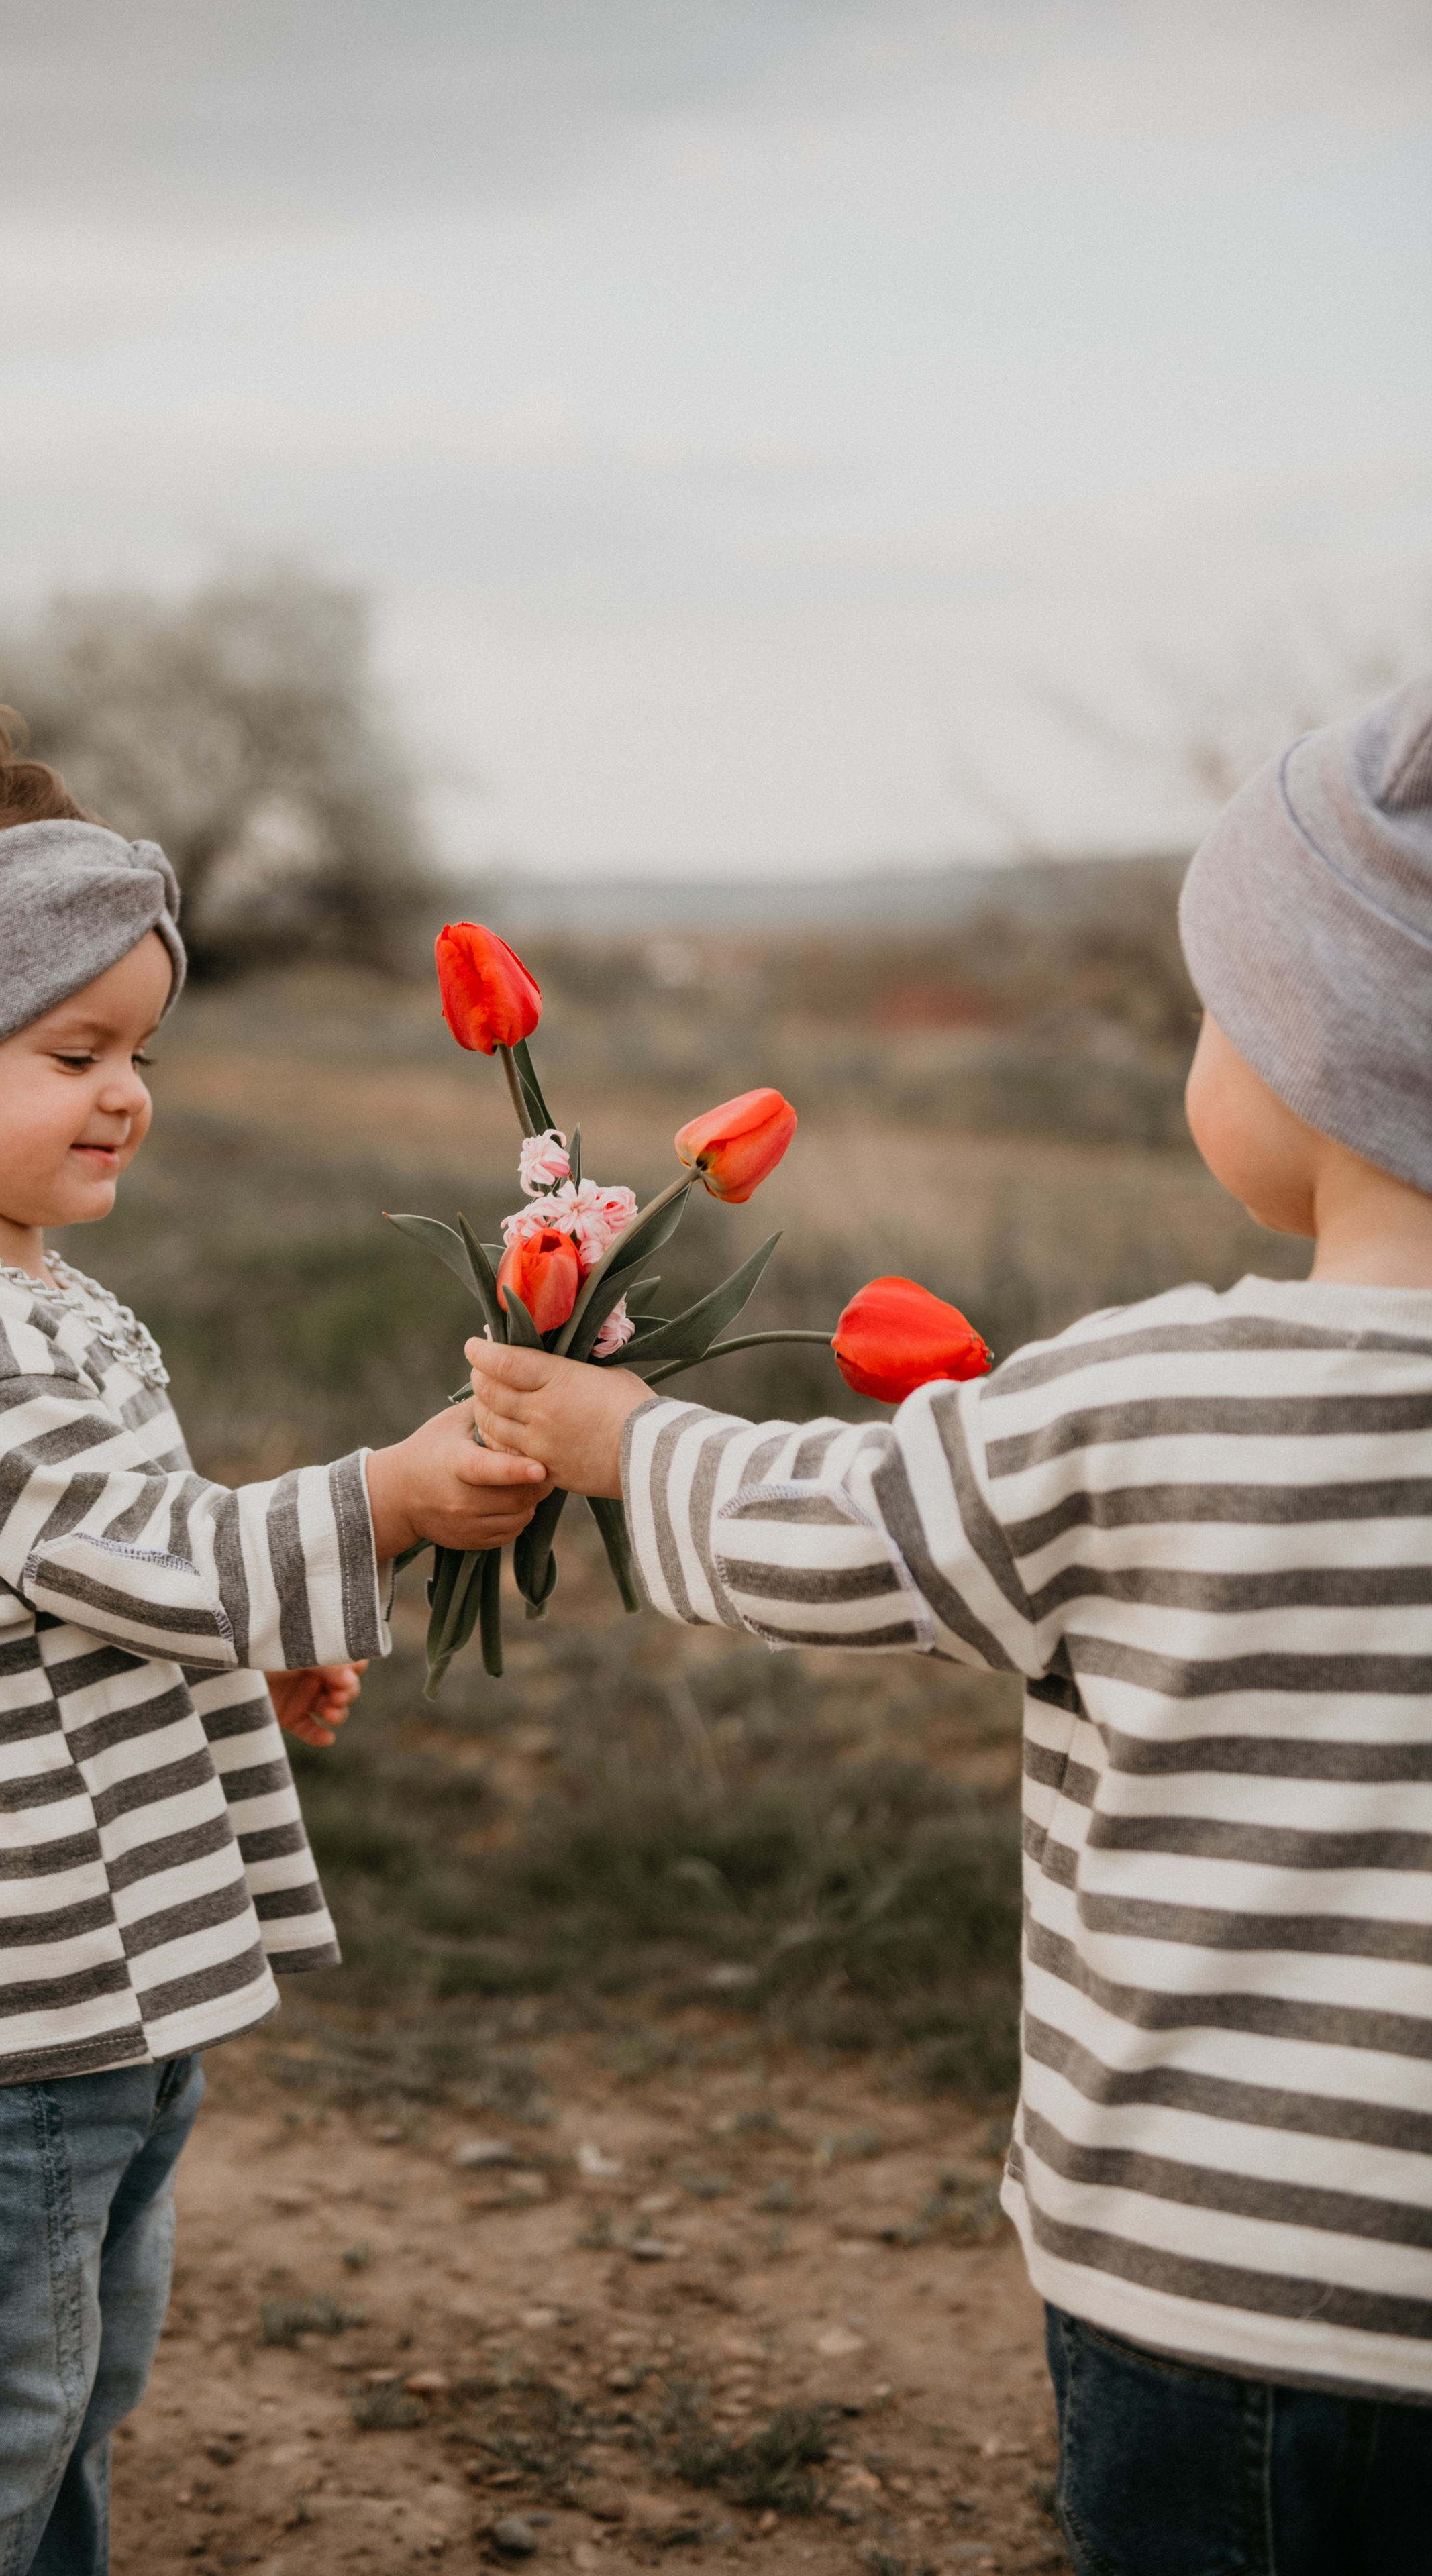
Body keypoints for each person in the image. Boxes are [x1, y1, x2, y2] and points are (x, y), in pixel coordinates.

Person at [468, 678, 1432, 2574]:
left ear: (1317, 1055)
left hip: (1206, 2295)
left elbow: (843, 1533)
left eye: (1215, 1006)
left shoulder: (1147, 1396)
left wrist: (624, 1440)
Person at [0, 643, 545, 2576]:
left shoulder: (40, 1297)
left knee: (81, 2386)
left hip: (108, 1982)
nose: (127, 1101)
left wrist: (249, 1656)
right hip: (8, 2001)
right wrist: (386, 1501)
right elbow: (137, 1545)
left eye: (143, 1056)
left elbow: (105, 1572)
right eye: (75, 1056)